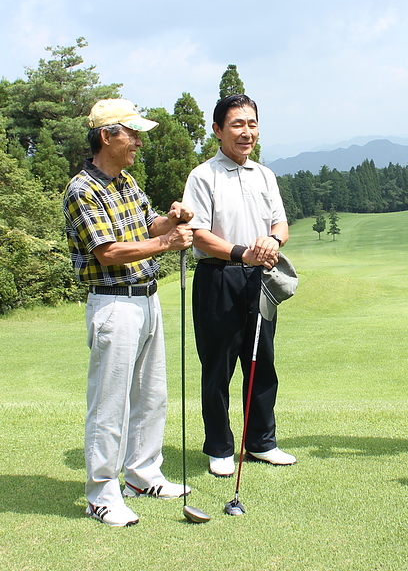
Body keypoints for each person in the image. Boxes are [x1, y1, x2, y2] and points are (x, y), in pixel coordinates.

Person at [64, 98, 194, 527]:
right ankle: (101, 494)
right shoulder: (82, 189)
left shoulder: (125, 181)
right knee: (109, 404)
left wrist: (170, 219)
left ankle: (142, 475)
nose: (139, 140)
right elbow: (107, 252)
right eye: (132, 133)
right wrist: (166, 243)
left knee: (151, 395)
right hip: (113, 303)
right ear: (107, 136)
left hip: (147, 298)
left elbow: (147, 223)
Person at [182, 94, 294, 478]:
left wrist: (273, 242)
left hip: (259, 278)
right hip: (218, 276)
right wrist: (242, 253)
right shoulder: (203, 175)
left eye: (252, 124)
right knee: (218, 367)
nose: (246, 132)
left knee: (261, 363)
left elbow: (280, 224)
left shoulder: (264, 175)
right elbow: (197, 234)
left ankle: (262, 442)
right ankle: (219, 447)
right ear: (217, 130)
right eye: (237, 125)